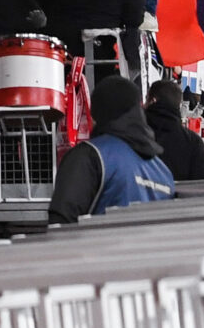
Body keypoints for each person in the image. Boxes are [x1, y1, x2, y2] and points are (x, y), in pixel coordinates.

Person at [47, 75, 178, 221]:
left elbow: (61, 221)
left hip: (98, 243)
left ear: (99, 113)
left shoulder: (90, 156)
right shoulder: (163, 172)